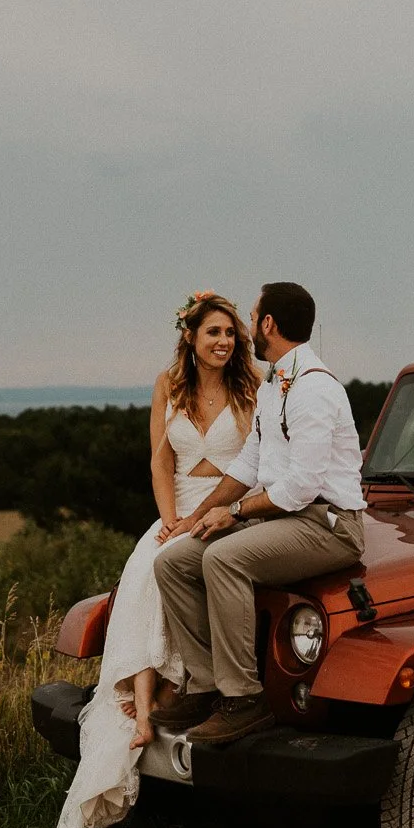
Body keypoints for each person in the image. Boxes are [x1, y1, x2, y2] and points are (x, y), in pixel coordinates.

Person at [50, 291, 260, 828]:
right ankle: (144, 711)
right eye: (212, 333)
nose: (223, 343)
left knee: (192, 568)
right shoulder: (168, 384)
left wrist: (204, 516)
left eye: (230, 334)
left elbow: (258, 463)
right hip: (179, 509)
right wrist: (170, 519)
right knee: (144, 575)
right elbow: (160, 459)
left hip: (227, 506)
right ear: (190, 337)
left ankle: (181, 692)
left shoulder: (252, 385)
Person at [152, 281, 365, 746]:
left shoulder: (314, 389)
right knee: (173, 560)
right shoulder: (273, 386)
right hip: (285, 519)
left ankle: (244, 700)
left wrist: (233, 512)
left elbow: (300, 488)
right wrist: (196, 518)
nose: (248, 327)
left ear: (268, 324)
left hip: (327, 525)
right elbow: (248, 462)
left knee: (223, 559)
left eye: (251, 317)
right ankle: (207, 684)